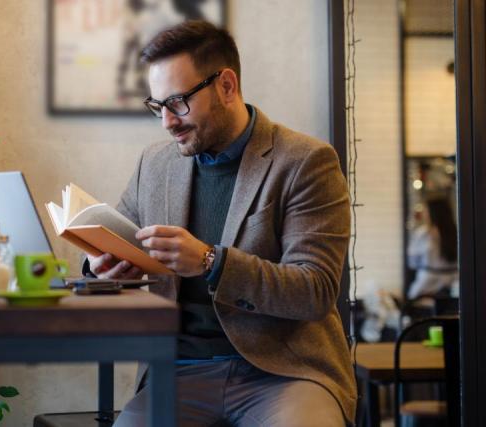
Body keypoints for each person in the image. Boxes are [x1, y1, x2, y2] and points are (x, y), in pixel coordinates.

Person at [84, 21, 356, 426]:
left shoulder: (305, 162)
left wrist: (212, 262)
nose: (167, 122)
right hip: (178, 372)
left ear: (226, 85)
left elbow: (314, 290)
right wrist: (100, 268)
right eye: (158, 106)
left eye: (178, 102)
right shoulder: (154, 166)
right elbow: (120, 241)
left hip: (285, 372)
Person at [406, 197, 459, 301]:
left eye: (425, 210)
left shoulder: (423, 234)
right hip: (454, 284)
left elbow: (412, 262)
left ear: (431, 213)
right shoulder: (456, 233)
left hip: (427, 285)